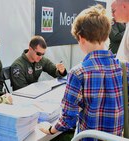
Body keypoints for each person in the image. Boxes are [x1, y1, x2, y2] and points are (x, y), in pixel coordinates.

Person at [39, 4, 129, 141]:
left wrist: (50, 129)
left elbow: (67, 119)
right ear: (106, 36)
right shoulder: (124, 68)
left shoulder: (78, 73)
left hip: (87, 137)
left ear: (80, 38)